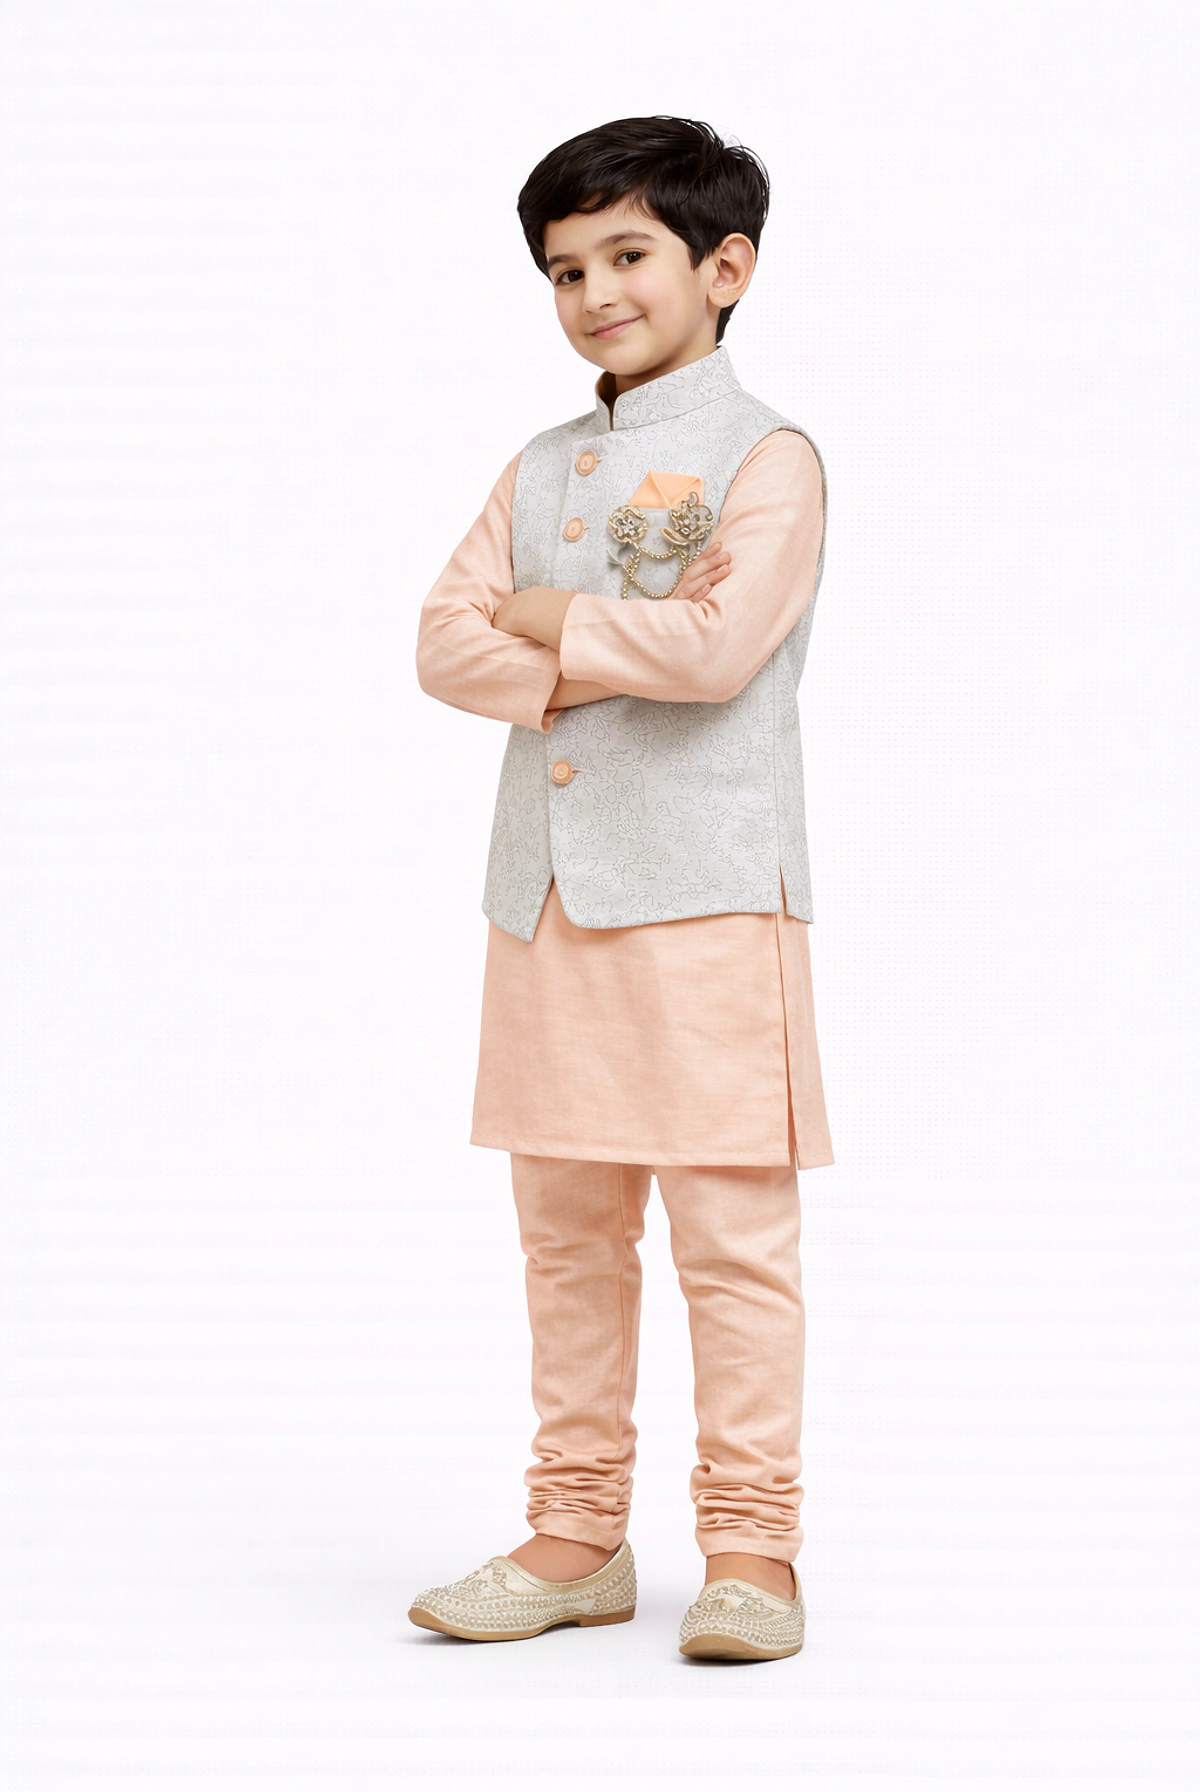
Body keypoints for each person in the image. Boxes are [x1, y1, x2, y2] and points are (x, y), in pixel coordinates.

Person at [408, 116, 833, 1662]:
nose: (593, 294)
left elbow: (718, 655)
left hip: (711, 900)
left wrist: (543, 618)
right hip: (546, 905)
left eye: (628, 255)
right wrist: (593, 641)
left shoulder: (768, 458)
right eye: (563, 270)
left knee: (732, 1242)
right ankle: (578, 1533)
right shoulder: (537, 466)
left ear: (726, 268)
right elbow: (440, 645)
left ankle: (753, 1550)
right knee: (568, 1241)